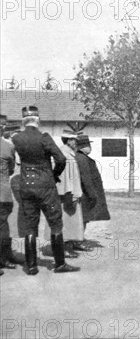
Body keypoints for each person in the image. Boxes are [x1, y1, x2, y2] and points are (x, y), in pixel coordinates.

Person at [11, 106, 79, 274]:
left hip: (26, 186)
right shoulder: (44, 137)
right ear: (38, 119)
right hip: (46, 186)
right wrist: (54, 175)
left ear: (23, 120)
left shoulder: (17, 138)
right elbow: (61, 159)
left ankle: (32, 266)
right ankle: (59, 264)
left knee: (30, 226)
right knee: (55, 223)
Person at [45, 130, 86, 259]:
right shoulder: (64, 154)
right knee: (64, 221)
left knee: (69, 221)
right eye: (75, 140)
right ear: (69, 141)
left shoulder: (68, 153)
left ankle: (66, 247)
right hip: (66, 194)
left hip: (70, 192)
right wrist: (70, 194)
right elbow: (63, 177)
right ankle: (60, 249)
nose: (77, 143)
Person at [0, 115, 24, 273]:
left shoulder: (7, 145)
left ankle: (6, 255)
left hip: (2, 191)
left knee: (3, 224)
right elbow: (10, 169)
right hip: (2, 189)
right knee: (2, 223)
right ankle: (4, 257)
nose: (3, 128)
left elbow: (10, 169)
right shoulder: (8, 146)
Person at [75, 135, 111, 233]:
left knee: (82, 218)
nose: (90, 148)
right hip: (85, 194)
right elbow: (86, 178)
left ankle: (77, 240)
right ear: (83, 146)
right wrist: (92, 194)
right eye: (89, 145)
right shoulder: (82, 158)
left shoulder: (78, 157)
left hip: (81, 193)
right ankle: (78, 241)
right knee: (83, 219)